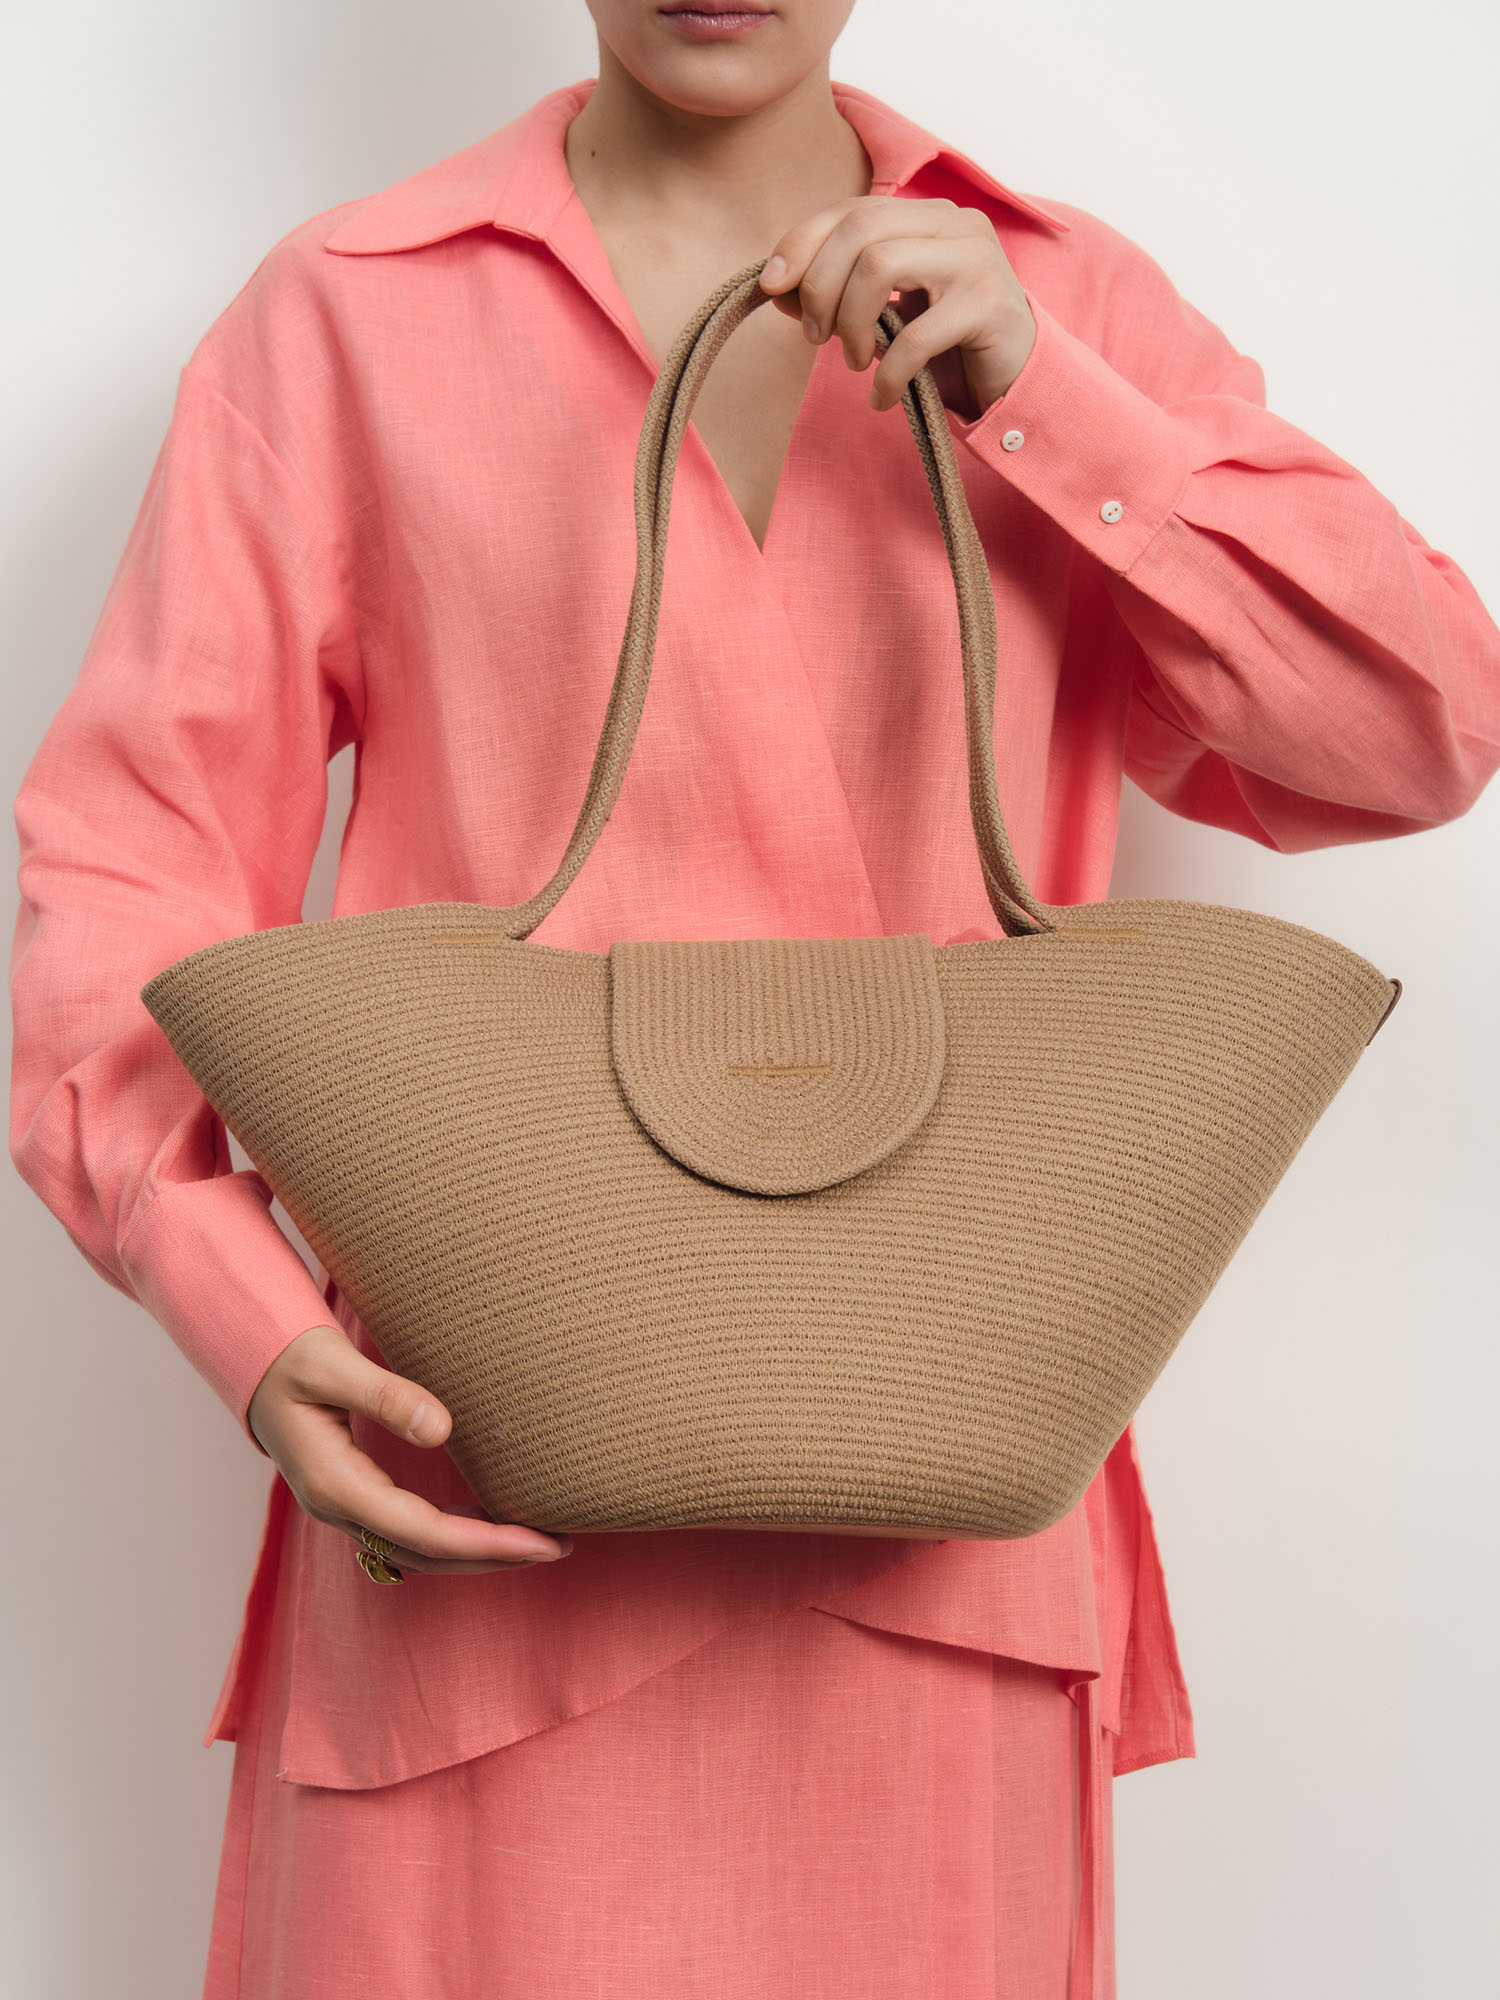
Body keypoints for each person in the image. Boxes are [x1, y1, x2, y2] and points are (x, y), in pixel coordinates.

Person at [10, 2, 1500, 1994]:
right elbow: (121, 870)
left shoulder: (1063, 299)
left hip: (948, 1531)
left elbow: (1418, 732)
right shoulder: (348, 316)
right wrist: (243, 1311)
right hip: (476, 1484)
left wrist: (1051, 405)